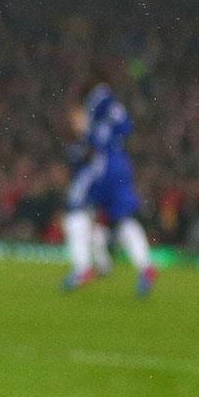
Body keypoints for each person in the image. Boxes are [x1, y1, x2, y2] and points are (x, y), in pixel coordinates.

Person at [61, 83, 157, 296]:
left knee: (76, 212)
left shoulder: (96, 109)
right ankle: (145, 267)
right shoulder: (108, 120)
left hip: (105, 170)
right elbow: (126, 125)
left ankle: (84, 268)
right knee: (120, 220)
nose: (74, 121)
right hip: (121, 166)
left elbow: (85, 155)